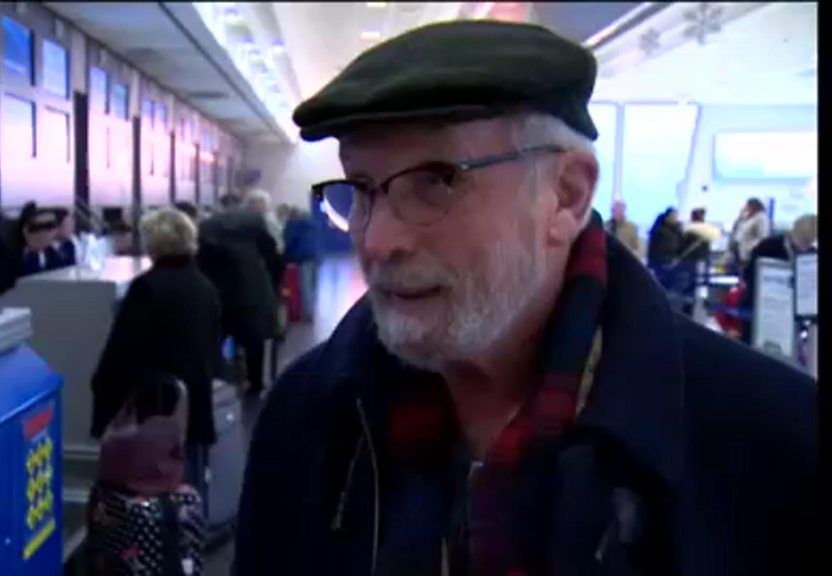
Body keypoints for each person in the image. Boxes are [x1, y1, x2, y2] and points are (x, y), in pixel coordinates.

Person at [234, 20, 816, 575]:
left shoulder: (775, 441)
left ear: (565, 195)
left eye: (436, 181)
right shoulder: (308, 417)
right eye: (361, 190)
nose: (379, 240)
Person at [90, 208, 222, 503]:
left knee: (156, 490)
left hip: (157, 411)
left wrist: (103, 407)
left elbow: (122, 354)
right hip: (195, 405)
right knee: (190, 486)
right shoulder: (203, 286)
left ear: (154, 242)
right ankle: (188, 539)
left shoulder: (147, 288)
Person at [197, 193, 282, 396]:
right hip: (252, 290)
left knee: (216, 338)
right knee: (255, 340)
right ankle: (255, 383)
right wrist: (271, 284)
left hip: (219, 293)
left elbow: (201, 262)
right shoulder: (255, 221)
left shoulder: (207, 226)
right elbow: (272, 255)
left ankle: (217, 378)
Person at [737, 213, 818, 344]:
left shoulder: (811, 255)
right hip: (760, 308)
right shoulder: (768, 246)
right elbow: (749, 275)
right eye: (803, 241)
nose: (804, 246)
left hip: (788, 316)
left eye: (808, 242)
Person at [282, 206, 321, 322]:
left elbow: (289, 242)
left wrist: (286, 258)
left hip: (302, 258)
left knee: (305, 287)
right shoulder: (313, 224)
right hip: (314, 257)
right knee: (312, 286)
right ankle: (312, 312)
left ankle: (307, 314)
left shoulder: (292, 225)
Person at [729, 197, 770, 273]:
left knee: (748, 276)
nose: (745, 207)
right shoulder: (747, 217)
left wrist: (752, 248)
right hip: (740, 252)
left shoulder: (761, 218)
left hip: (750, 253)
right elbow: (738, 228)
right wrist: (740, 216)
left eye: (747, 206)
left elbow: (763, 237)